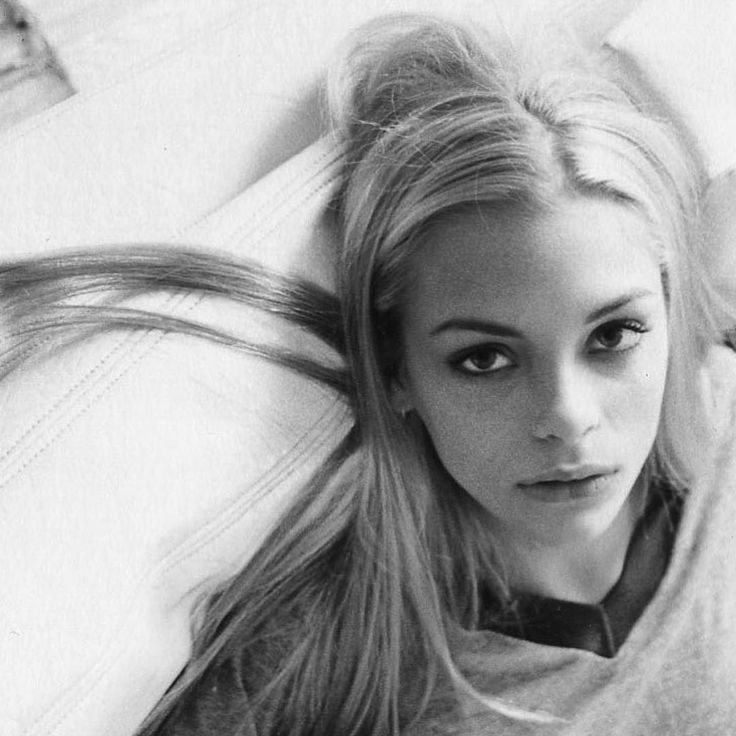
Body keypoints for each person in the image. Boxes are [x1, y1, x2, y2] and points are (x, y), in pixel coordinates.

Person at [3, 12, 736, 736]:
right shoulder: (316, 654)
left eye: (614, 335)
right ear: (395, 372)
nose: (569, 417)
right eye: (484, 359)